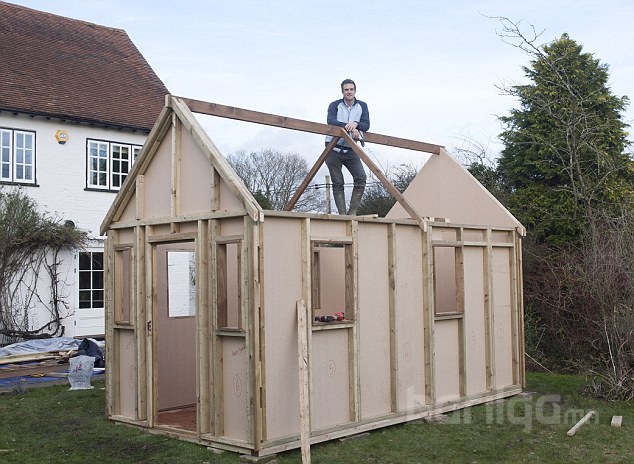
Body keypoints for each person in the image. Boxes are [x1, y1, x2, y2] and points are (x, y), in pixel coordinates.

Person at [325, 79, 369, 215]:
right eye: (346, 90)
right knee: (338, 182)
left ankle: (352, 212)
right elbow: (331, 121)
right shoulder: (335, 105)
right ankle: (342, 215)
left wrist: (356, 124)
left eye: (351, 89)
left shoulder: (362, 106)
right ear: (342, 92)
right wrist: (347, 126)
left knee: (361, 177)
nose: (349, 92)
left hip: (351, 148)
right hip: (333, 147)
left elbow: (366, 124)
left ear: (355, 91)